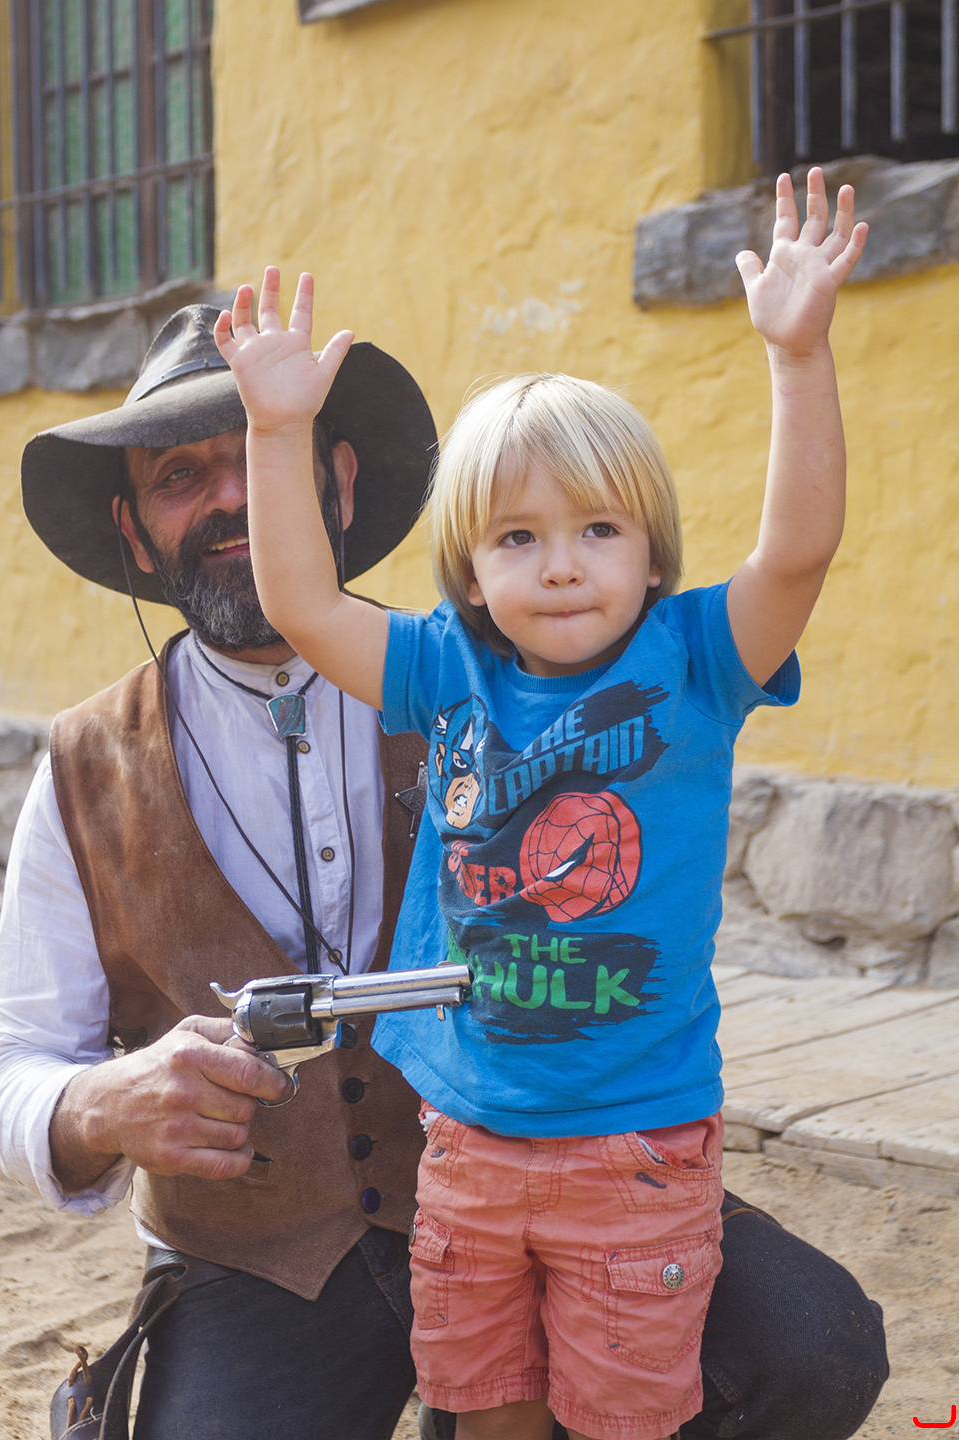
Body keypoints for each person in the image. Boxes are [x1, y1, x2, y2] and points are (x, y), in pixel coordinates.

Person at [0, 297, 886, 1440]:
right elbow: (16, 1059)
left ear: (340, 484)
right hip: (267, 1258)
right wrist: (94, 1102)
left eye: (256, 460)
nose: (230, 498)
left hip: (579, 1159)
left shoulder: (470, 662)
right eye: (179, 475)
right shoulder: (82, 769)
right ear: (131, 531)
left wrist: (799, 355)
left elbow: (793, 557)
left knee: (813, 1343)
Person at [215, 167, 878, 1440]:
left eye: (598, 530)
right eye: (517, 537)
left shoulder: (698, 660)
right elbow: (301, 603)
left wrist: (799, 357)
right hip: (466, 1145)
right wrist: (276, 428)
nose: (562, 563)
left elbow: (798, 549)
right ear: (469, 569)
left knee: (623, 1420)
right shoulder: (445, 668)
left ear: (653, 551)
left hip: (636, 1153)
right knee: (487, 1414)